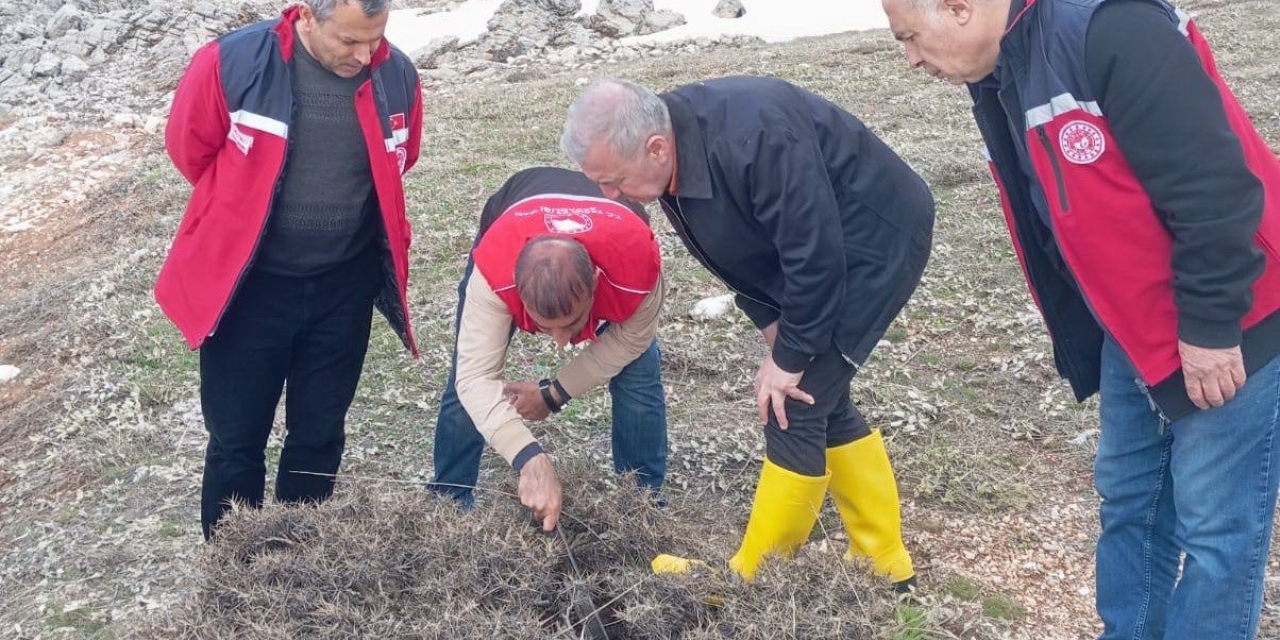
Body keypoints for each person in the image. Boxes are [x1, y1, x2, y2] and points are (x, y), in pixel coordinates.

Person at [880, 0, 1280, 636]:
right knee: (1130, 504)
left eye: (909, 37)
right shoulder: (1003, 68)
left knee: (1216, 531)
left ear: (957, 8)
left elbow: (1216, 188)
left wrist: (1209, 328)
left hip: (1229, 316)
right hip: (1133, 327)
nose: (911, 59)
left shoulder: (1109, 26)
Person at [562, 77, 934, 589]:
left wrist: (793, 354)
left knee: (794, 405)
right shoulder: (666, 157)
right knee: (820, 395)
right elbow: (739, 251)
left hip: (873, 245)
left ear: (655, 147)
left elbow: (816, 256)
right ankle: (885, 562)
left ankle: (751, 585)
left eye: (612, 180)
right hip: (815, 256)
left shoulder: (754, 137)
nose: (606, 194)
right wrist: (772, 322)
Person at [155, 0, 423, 540]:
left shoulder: (398, 75)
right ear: (305, 16)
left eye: (374, 38)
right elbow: (190, 150)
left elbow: (404, 157)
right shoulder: (230, 63)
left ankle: (300, 562)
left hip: (342, 288)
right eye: (349, 41)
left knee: (320, 435)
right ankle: (233, 573)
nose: (364, 54)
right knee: (236, 440)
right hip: (250, 288)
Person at [428, 166, 668, 532]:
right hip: (517, 204)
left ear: (597, 283)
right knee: (466, 372)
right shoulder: (493, 272)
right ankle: (448, 500)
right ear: (514, 291)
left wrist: (554, 393)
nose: (560, 342)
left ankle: (643, 507)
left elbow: (629, 341)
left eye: (571, 325)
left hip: (615, 229)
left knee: (639, 366)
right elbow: (476, 377)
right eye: (543, 325)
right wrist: (529, 458)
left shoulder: (637, 265)